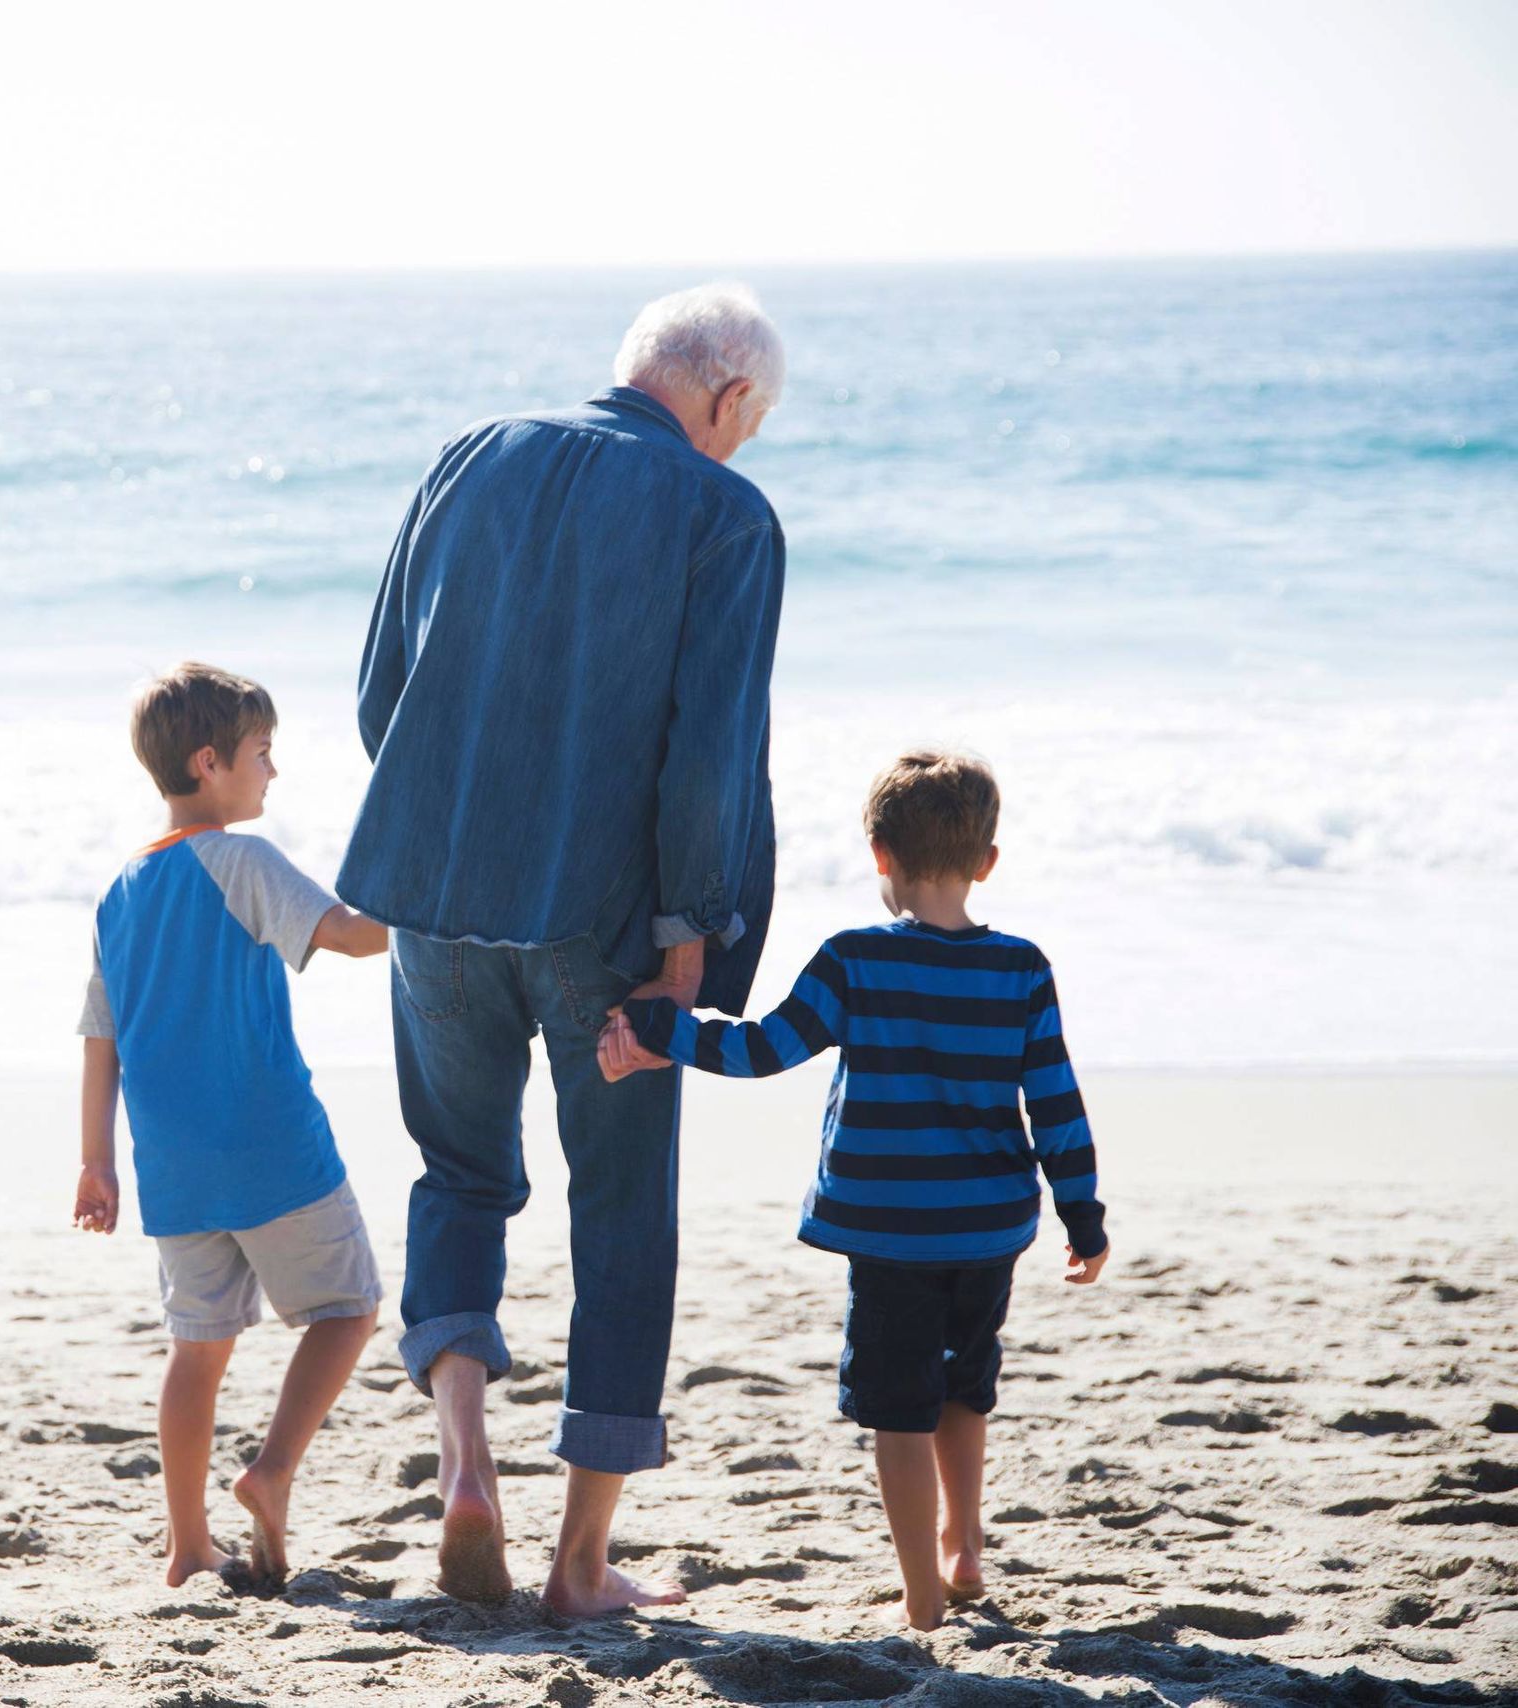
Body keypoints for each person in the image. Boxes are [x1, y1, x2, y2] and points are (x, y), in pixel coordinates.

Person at [338, 281, 789, 1616]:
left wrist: (450, 832)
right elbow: (709, 758)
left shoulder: (470, 455)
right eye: (748, 426)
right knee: (622, 1212)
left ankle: (465, 1463)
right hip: (612, 921)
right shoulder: (727, 515)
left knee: (461, 1177)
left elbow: (382, 690)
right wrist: (690, 942)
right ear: (726, 399)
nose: (743, 445)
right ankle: (580, 1562)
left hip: (434, 891)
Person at [600, 749, 1110, 1629]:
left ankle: (921, 1591)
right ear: (987, 861)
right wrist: (1083, 1213)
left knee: (897, 1411)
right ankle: (966, 1547)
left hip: (890, 1229)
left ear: (879, 854)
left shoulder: (853, 961)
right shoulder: (1021, 968)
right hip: (989, 1227)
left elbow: (762, 1049)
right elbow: (1055, 1099)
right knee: (965, 1383)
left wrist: (660, 1027)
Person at [74, 662, 391, 1589]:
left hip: (171, 1169)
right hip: (272, 1145)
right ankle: (273, 1469)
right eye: (262, 755)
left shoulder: (119, 891)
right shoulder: (241, 861)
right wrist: (436, 909)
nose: (273, 773)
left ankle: (185, 1544)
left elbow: (101, 1040)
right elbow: (351, 934)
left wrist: (96, 1162)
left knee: (196, 1353)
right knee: (348, 1309)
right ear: (209, 764)